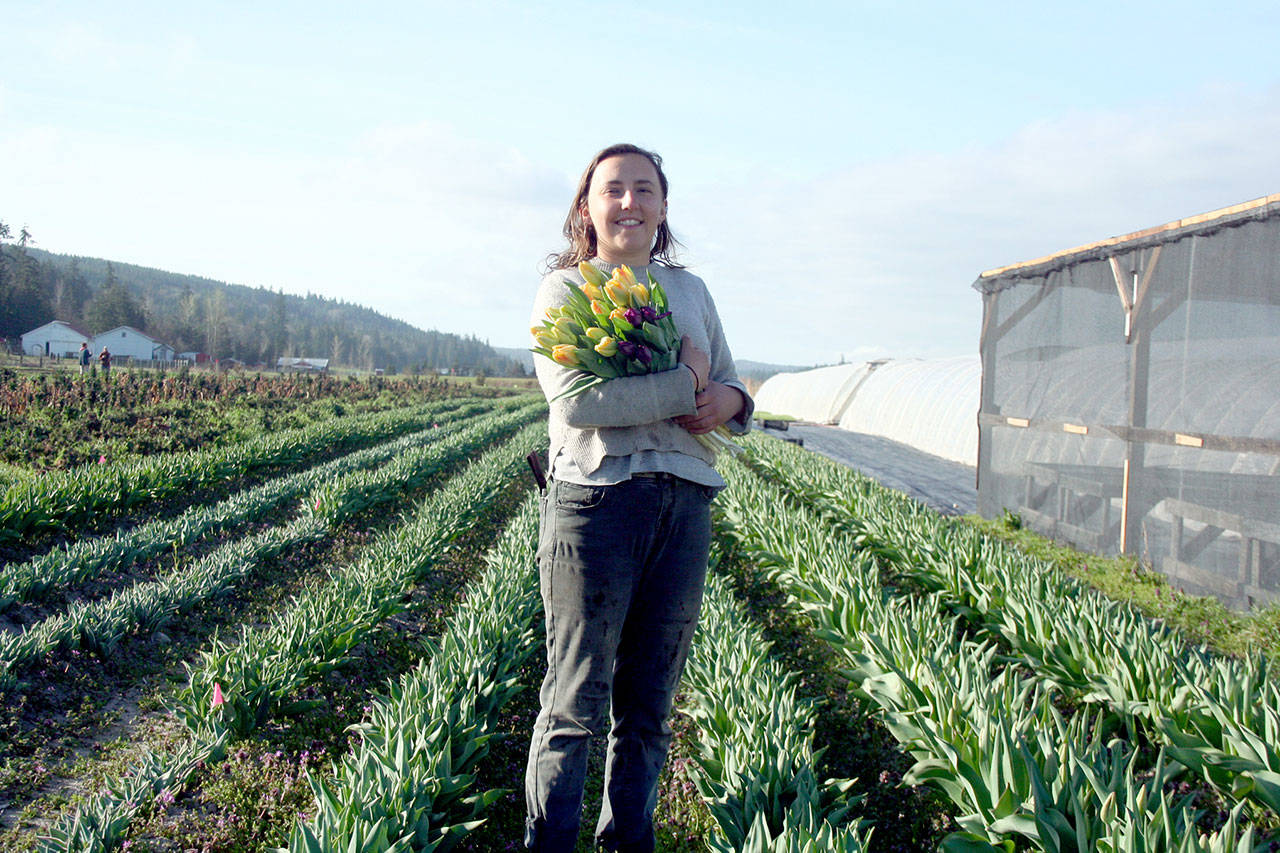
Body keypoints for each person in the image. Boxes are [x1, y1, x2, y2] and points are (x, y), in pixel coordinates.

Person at [525, 143, 754, 853]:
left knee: (650, 704)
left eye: (644, 189)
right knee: (576, 699)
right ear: (586, 210)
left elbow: (736, 386)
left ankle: (627, 841)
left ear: (662, 207)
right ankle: (550, 842)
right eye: (613, 190)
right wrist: (688, 383)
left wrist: (729, 397)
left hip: (684, 503)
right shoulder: (566, 291)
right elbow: (580, 400)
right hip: (597, 502)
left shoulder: (691, 292)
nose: (629, 202)